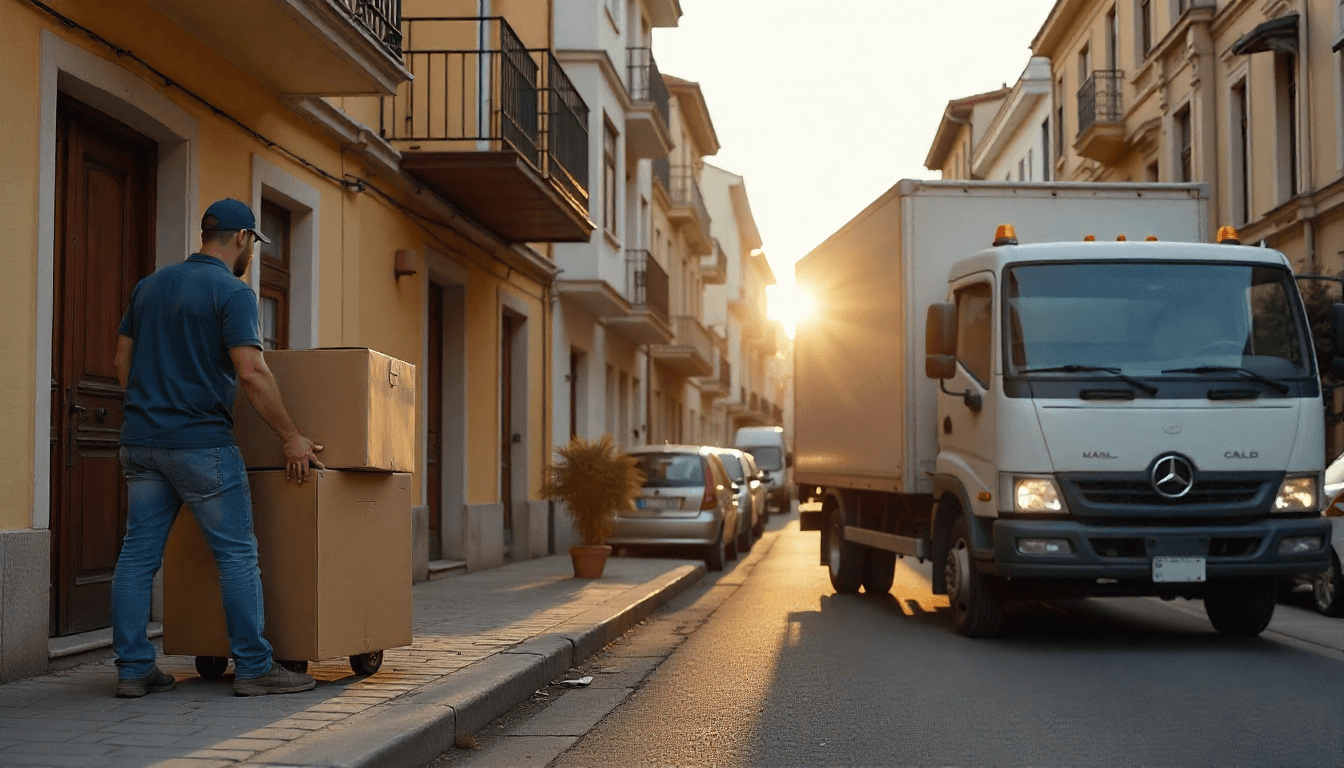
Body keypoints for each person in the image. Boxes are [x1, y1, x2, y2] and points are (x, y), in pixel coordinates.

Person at [111, 198, 324, 698]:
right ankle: (254, 666)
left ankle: (133, 668)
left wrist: (150, 410)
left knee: (137, 556)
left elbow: (122, 362)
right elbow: (251, 372)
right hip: (202, 444)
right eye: (253, 242)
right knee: (236, 554)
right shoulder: (233, 292)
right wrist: (291, 436)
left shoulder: (149, 286)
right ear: (243, 238)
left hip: (141, 443)